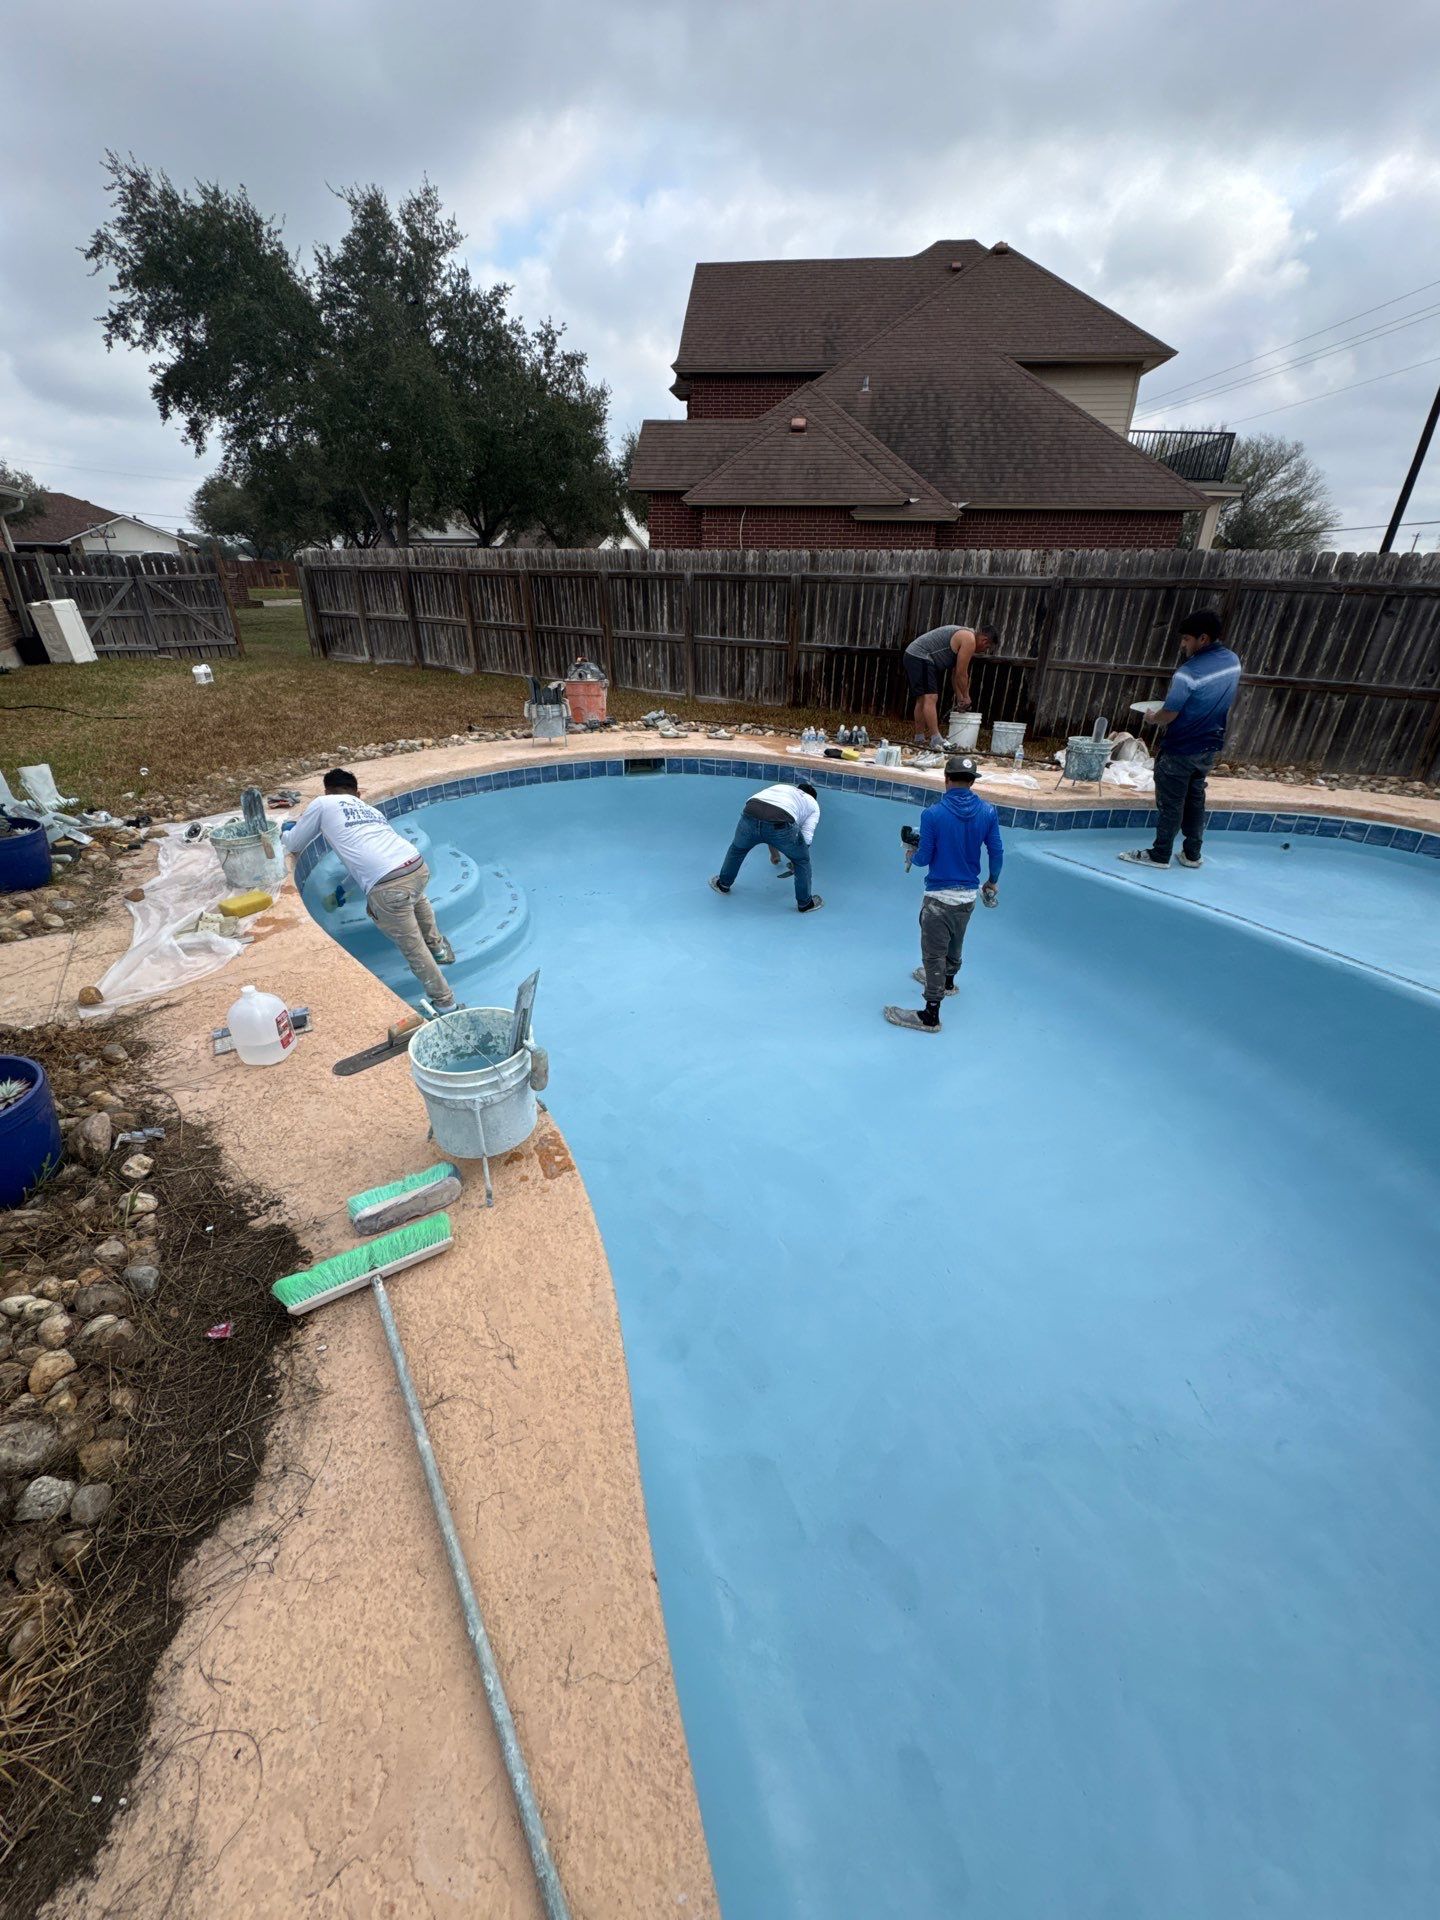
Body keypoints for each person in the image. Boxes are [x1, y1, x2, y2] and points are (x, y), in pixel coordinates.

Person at [285, 769, 459, 1010]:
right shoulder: (371, 811)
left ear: (326, 791)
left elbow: (294, 842)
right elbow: (372, 864)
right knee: (417, 898)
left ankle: (445, 1002)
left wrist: (287, 829)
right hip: (416, 866)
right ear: (357, 794)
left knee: (412, 947)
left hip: (389, 886)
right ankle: (439, 949)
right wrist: (342, 889)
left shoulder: (323, 803)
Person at [883, 754, 1003, 1033]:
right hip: (968, 896)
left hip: (939, 897)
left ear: (946, 779)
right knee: (955, 941)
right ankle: (949, 983)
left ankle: (930, 1015)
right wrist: (992, 881)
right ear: (972, 782)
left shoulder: (933, 814)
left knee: (933, 955)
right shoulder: (988, 812)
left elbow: (924, 858)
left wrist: (912, 854)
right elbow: (996, 851)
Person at [1120, 608, 1241, 869]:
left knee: (1171, 803)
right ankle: (1192, 854)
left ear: (1203, 639)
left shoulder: (1189, 672)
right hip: (1209, 747)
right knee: (1195, 799)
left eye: (1187, 639)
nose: (1183, 644)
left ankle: (1160, 854)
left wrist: (1153, 717)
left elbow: (1170, 712)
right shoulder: (1232, 662)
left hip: (1181, 747)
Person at [710, 780, 824, 912]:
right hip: (780, 822)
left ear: (797, 789)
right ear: (812, 797)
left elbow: (765, 824)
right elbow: (807, 836)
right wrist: (796, 858)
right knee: (802, 861)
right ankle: (805, 904)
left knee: (738, 849)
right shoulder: (813, 804)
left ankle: (723, 885)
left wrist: (774, 854)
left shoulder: (782, 788)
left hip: (750, 812)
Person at [903, 622, 998, 748]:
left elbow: (955, 675)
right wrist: (966, 696)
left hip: (914, 654)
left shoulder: (966, 637)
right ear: (984, 640)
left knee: (923, 698)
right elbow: (961, 674)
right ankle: (936, 739)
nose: (983, 651)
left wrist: (960, 699)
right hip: (920, 655)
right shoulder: (969, 639)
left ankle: (919, 738)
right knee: (930, 697)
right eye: (986, 648)